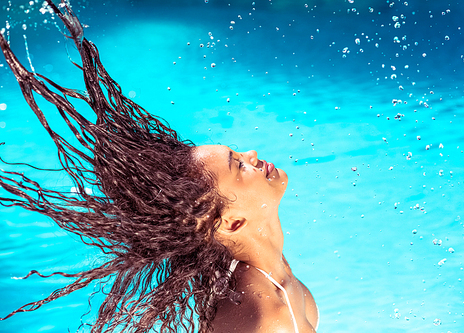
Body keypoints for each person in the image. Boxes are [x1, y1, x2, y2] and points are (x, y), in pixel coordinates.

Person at [0, 1, 318, 332]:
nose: (252, 154)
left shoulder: (266, 267)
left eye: (238, 156)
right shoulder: (268, 318)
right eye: (239, 166)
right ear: (233, 223)